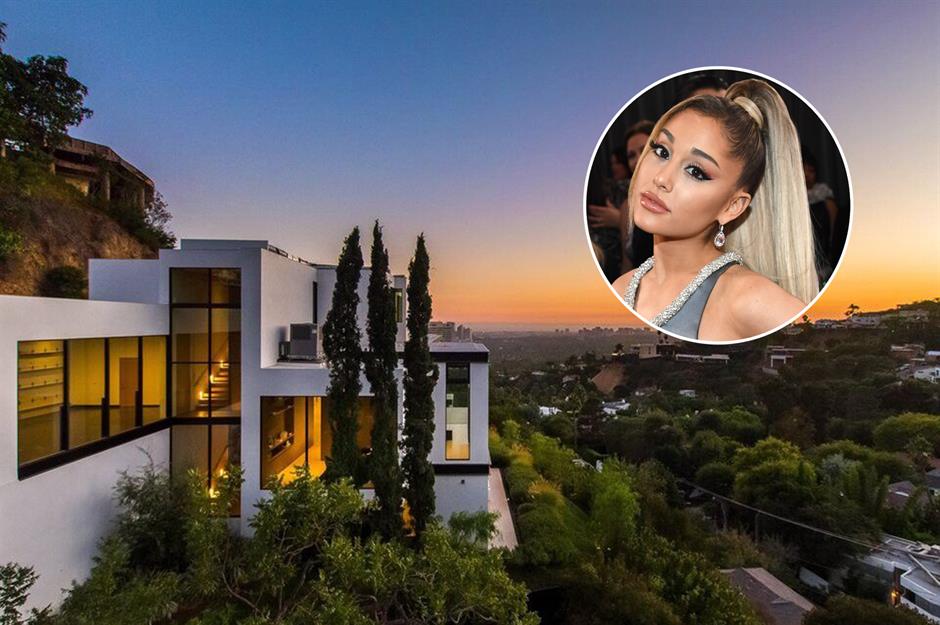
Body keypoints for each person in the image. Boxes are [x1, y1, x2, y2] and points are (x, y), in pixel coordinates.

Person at [611, 79, 817, 341]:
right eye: (662, 151)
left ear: (733, 206)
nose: (662, 178)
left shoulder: (749, 299)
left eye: (696, 171)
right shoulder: (622, 288)